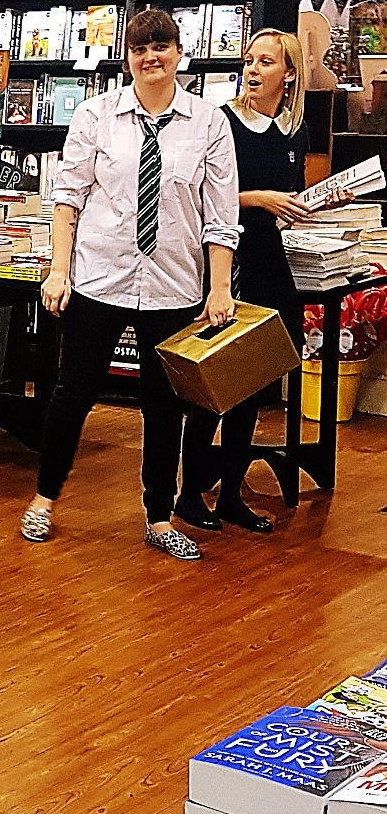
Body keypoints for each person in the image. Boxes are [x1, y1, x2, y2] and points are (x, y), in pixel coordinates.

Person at [18, 9, 240, 561]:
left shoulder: (208, 121)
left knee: (165, 407)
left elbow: (220, 214)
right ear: (128, 58)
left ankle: (159, 517)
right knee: (73, 393)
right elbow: (68, 197)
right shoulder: (96, 117)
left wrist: (218, 288)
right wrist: (59, 269)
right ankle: (44, 499)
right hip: (100, 276)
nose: (151, 57)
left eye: (161, 46)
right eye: (140, 48)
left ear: (179, 52)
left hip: (174, 286)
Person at [176, 28, 353, 533]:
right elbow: (200, 199)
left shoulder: (293, 129)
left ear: (289, 73)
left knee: (252, 384)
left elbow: (289, 200)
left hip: (272, 263)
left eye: (266, 62)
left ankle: (230, 493)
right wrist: (259, 199)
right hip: (229, 263)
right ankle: (190, 494)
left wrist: (315, 204)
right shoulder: (222, 123)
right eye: (248, 60)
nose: (252, 70)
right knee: (213, 380)